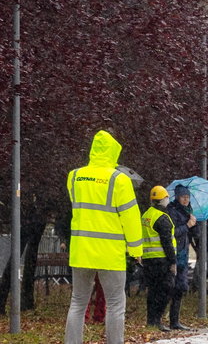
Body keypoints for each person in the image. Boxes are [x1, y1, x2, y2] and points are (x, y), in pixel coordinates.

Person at [64, 130, 143, 344]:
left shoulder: (75, 176)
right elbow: (131, 218)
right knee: (116, 304)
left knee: (78, 303)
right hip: (110, 253)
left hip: (81, 251)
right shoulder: (120, 180)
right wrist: (136, 250)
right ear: (113, 152)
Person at [142, 186, 178, 331]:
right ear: (163, 199)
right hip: (161, 260)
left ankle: (151, 320)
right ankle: (157, 320)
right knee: (165, 290)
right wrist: (173, 262)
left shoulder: (146, 215)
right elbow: (167, 242)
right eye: (167, 198)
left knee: (152, 291)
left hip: (148, 260)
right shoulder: (162, 218)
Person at [166, 184, 198, 330]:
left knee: (181, 287)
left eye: (187, 197)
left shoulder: (187, 212)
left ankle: (175, 321)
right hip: (174, 255)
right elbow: (172, 233)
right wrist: (188, 225)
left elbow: (193, 234)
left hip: (183, 255)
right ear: (177, 197)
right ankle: (164, 320)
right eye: (183, 197)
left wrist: (193, 223)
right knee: (170, 288)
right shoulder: (172, 212)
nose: (186, 200)